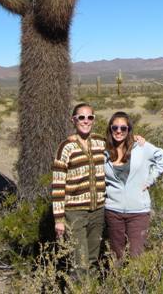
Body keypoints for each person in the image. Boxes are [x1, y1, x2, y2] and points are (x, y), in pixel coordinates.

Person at [52, 104, 107, 279]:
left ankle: (88, 289)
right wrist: (59, 219)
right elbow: (58, 184)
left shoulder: (101, 142)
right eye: (81, 117)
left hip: (98, 210)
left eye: (89, 117)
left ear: (94, 120)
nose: (86, 121)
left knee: (92, 259)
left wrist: (136, 139)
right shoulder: (66, 147)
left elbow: (121, 150)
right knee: (79, 261)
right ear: (73, 120)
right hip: (74, 213)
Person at [104, 111, 163, 260]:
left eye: (123, 128)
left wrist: (151, 179)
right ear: (110, 129)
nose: (119, 131)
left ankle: (136, 284)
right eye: (115, 128)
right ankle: (118, 283)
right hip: (113, 211)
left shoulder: (140, 147)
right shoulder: (104, 152)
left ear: (128, 130)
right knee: (117, 257)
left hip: (138, 212)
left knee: (136, 256)